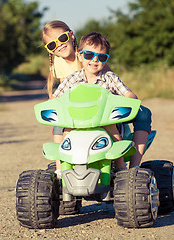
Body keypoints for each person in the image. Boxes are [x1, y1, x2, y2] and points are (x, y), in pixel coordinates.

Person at [52, 32, 152, 170]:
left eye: (101, 57)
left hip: (104, 120)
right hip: (77, 121)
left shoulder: (110, 78)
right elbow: (55, 98)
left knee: (112, 128)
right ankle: (62, 169)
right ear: (80, 56)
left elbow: (128, 93)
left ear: (106, 60)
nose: (94, 60)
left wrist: (129, 100)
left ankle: (120, 165)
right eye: (89, 55)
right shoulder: (72, 79)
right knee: (66, 130)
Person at [42, 20, 112, 175]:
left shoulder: (90, 55)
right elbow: (63, 91)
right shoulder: (59, 64)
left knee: (119, 126)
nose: (59, 45)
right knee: (59, 128)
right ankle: (61, 169)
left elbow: (108, 80)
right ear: (50, 50)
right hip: (76, 108)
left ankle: (121, 165)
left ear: (71, 35)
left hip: (97, 105)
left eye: (61, 39)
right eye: (52, 45)